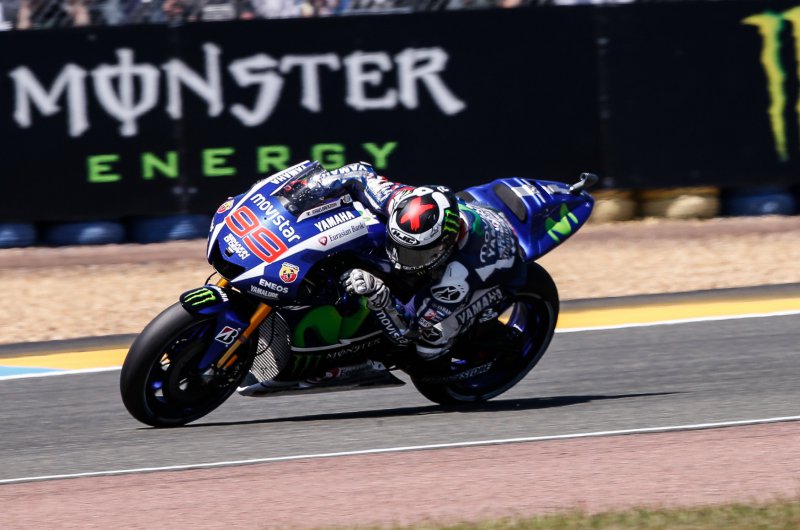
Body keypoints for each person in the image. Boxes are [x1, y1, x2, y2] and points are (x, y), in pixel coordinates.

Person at [309, 161, 527, 363]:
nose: (400, 260)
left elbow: (408, 331)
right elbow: (360, 173)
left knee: (429, 345)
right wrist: (316, 185)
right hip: (476, 213)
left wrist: (379, 295)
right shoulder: (399, 199)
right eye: (399, 247)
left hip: (499, 276)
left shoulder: (457, 276)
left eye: (416, 254)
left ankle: (486, 346)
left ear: (445, 245)